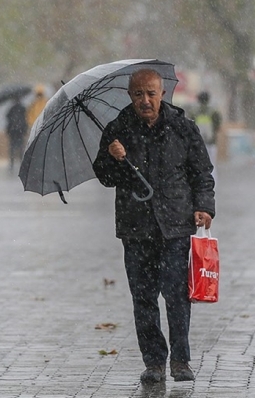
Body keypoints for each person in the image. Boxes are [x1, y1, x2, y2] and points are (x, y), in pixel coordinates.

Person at [92, 68, 216, 384]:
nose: (145, 100)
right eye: (138, 94)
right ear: (130, 96)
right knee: (143, 298)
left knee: (177, 296)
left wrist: (204, 206)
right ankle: (154, 362)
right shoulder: (117, 130)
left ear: (162, 93)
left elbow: (202, 173)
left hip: (175, 226)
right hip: (136, 228)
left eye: (151, 93)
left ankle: (181, 360)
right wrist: (113, 158)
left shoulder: (183, 128)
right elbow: (105, 177)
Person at [5, 96, 28, 172]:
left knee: (12, 146)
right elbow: (26, 119)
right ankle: (21, 161)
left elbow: (7, 117)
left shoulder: (11, 109)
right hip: (20, 130)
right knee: (21, 146)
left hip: (13, 130)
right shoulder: (23, 108)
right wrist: (25, 129)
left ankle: (12, 162)